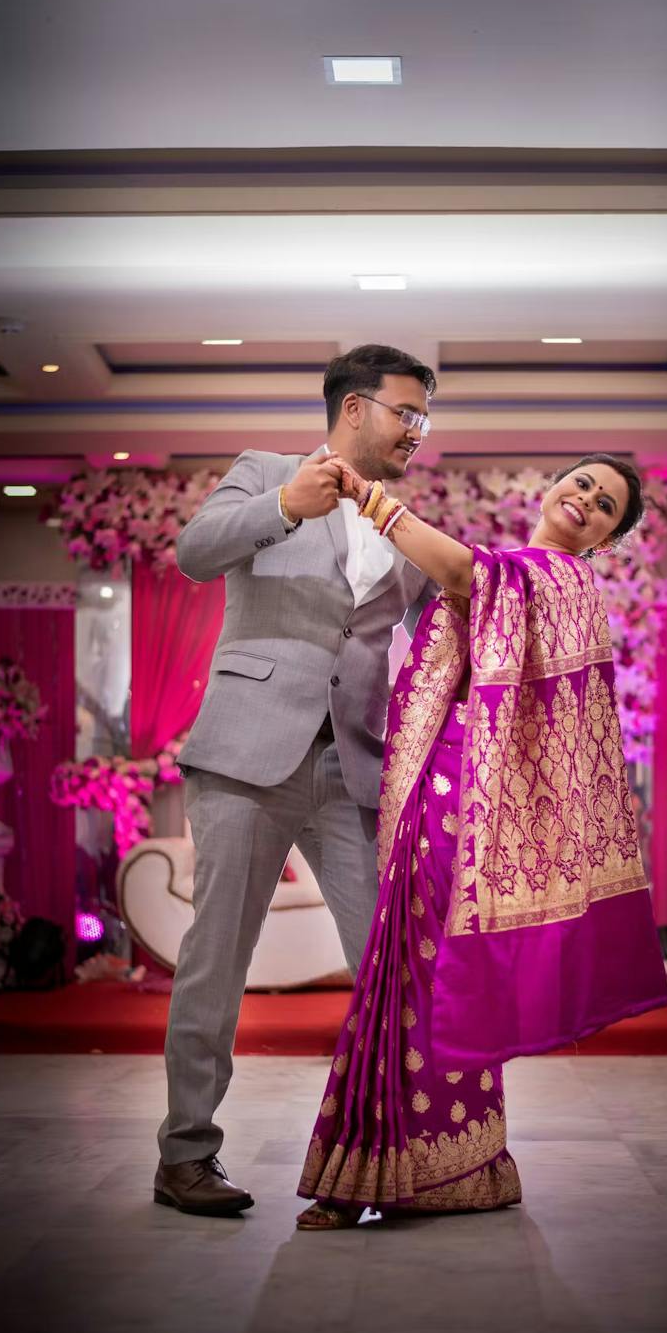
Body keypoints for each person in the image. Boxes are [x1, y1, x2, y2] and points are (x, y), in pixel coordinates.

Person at [296, 454, 667, 1228]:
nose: (585, 500)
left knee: (423, 981)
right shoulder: (532, 571)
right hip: (442, 796)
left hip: (466, 807)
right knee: (411, 977)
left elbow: (463, 573)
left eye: (604, 505)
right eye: (582, 483)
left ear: (604, 538)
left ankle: (387, 1170)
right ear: (551, 485)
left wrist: (372, 498)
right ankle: (433, 1163)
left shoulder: (555, 577)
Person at [154, 344, 438, 1216]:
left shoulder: (402, 525)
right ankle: (186, 1156)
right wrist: (283, 505)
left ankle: (404, 1152)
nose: (416, 434)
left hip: (351, 766)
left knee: (389, 966)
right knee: (216, 961)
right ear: (355, 409)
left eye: (424, 419)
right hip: (247, 757)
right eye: (406, 413)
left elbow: (451, 625)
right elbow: (194, 553)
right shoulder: (265, 472)